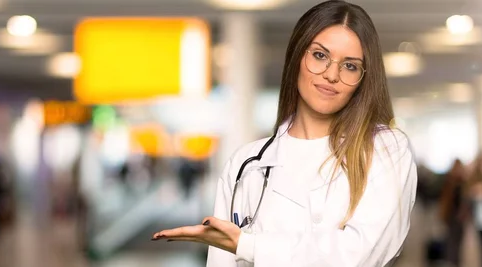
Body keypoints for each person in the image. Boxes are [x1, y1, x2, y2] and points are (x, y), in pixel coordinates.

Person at [151, 1, 418, 266]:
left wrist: (248, 245)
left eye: (349, 66)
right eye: (320, 55)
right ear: (297, 56)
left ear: (363, 79)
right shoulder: (247, 163)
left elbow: (359, 255)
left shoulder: (385, 148)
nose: (331, 74)